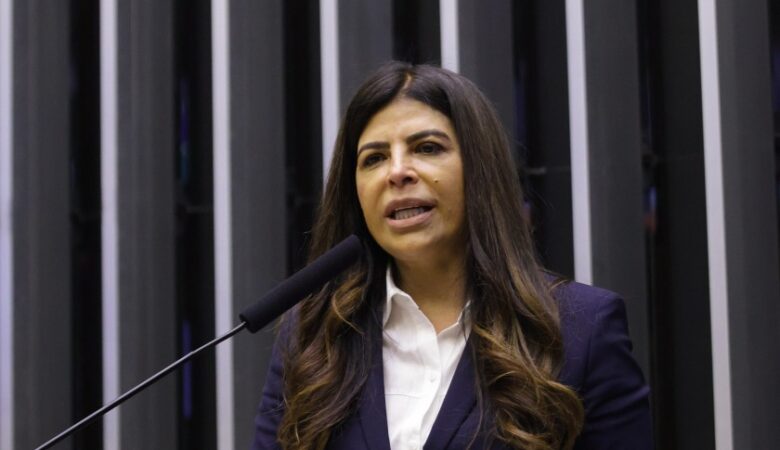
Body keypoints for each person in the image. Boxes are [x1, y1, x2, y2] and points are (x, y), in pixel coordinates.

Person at [251, 62, 653, 450]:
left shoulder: (582, 330)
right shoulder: (312, 335)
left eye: (426, 148)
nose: (397, 172)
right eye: (374, 158)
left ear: (479, 170)